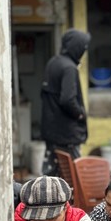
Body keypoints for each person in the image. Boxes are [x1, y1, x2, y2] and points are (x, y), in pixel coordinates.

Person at [41, 29, 91, 177]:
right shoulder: (69, 68)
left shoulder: (53, 63)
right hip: (67, 134)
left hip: (52, 132)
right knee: (74, 178)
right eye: (83, 48)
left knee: (54, 177)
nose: (84, 51)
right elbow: (67, 99)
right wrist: (80, 114)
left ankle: (53, 200)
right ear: (76, 47)